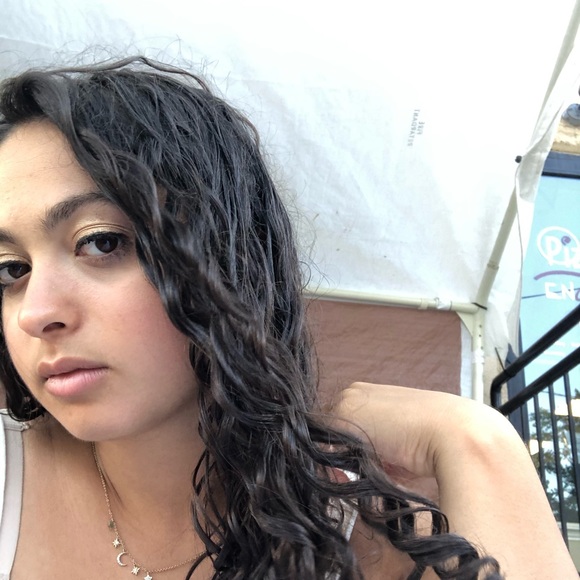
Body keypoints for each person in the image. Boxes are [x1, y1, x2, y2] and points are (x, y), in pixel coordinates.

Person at [0, 56, 574, 580]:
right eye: (10, 270)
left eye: (100, 242)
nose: (35, 312)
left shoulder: (371, 539)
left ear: (227, 259)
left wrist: (475, 437)